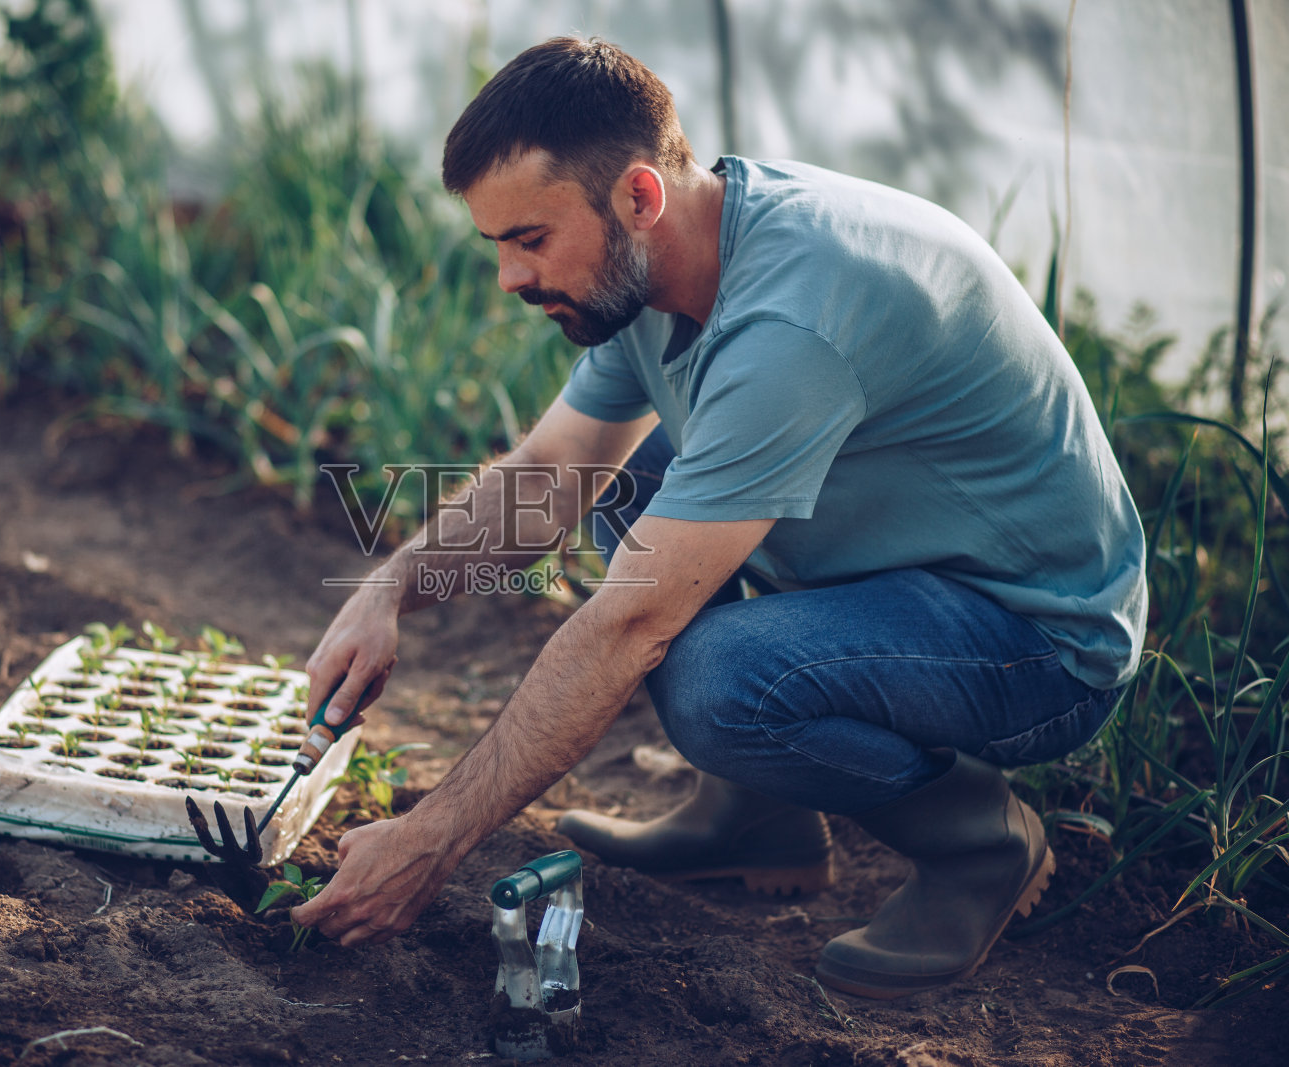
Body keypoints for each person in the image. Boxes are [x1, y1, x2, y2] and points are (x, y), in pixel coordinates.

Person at [290, 36, 1146, 999]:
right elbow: (554, 469)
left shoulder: (790, 322)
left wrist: (431, 835)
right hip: (897, 565)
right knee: (633, 475)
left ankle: (981, 845)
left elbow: (629, 625)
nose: (510, 280)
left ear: (640, 197)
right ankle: (756, 814)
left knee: (713, 677)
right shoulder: (668, 262)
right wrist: (388, 588)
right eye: (497, 246)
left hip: (1032, 634)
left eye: (530, 240)